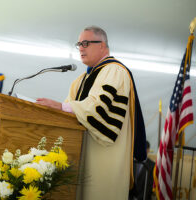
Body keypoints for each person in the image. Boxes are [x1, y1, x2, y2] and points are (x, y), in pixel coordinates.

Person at [36, 26, 147, 199]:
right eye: (79, 44)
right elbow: (66, 113)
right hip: (80, 158)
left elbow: (97, 108)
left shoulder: (115, 71)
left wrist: (60, 106)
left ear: (102, 45)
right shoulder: (80, 80)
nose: (81, 47)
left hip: (104, 159)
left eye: (86, 43)